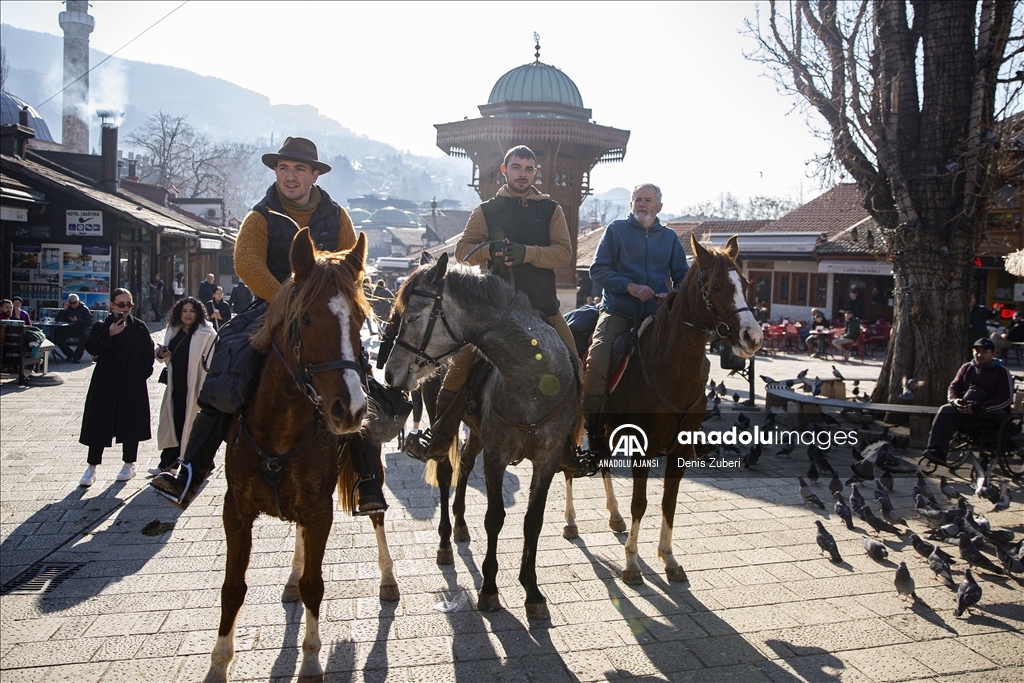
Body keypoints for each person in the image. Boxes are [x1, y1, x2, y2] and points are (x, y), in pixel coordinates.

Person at [151, 136, 387, 514]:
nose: (289, 176)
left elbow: (349, 266)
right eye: (283, 168)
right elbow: (247, 264)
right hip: (269, 305)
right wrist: (287, 300)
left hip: (323, 312)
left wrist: (323, 304)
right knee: (229, 362)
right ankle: (190, 469)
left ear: (314, 175)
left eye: (298, 169)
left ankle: (367, 480)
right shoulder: (259, 216)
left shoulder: (338, 216)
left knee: (357, 375)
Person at [403, 145, 578, 464]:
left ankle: (570, 446)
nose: (522, 173)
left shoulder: (551, 210)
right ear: (504, 170)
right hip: (496, 314)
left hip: (543, 310)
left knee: (576, 367)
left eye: (528, 168)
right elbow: (463, 252)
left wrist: (527, 253)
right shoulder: (486, 210)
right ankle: (439, 437)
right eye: (516, 167)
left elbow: (564, 253)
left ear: (535, 173)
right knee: (458, 371)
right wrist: (491, 250)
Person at [582, 183, 692, 460]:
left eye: (648, 200)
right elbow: (598, 270)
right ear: (631, 204)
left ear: (659, 207)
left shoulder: (669, 238)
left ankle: (686, 425)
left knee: (695, 361)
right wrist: (629, 286)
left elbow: (683, 276)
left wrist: (674, 294)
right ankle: (594, 432)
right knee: (596, 364)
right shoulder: (615, 230)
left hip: (657, 314)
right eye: (638, 199)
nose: (643, 204)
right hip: (618, 312)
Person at [78, 288, 155, 486]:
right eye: (121, 304)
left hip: (131, 380)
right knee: (99, 421)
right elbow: (92, 348)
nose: (126, 308)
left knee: (130, 421)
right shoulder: (101, 325)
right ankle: (92, 466)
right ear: (112, 305)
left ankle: (129, 463)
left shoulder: (139, 327)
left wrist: (141, 373)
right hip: (106, 379)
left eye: (129, 304)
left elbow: (148, 352)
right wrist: (109, 333)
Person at [921, 338, 1013, 466]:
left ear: (993, 353)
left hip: (991, 411)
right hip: (967, 407)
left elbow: (1006, 398)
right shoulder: (967, 367)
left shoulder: (1001, 371)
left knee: (986, 403)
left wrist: (982, 406)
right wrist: (955, 401)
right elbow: (953, 388)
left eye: (984, 352)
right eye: (977, 351)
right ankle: (937, 450)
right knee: (946, 409)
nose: (979, 355)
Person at [151, 297, 217, 475]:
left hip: (196, 385)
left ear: (198, 313)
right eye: (184, 311)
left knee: (194, 425)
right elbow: (162, 355)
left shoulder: (207, 333)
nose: (188, 315)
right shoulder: (173, 330)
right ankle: (168, 464)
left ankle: (202, 463)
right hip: (175, 384)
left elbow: (212, 362)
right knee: (174, 422)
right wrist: (160, 353)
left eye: (192, 311)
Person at [54, 293, 94, 363]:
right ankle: (70, 354)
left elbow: (89, 322)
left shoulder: (84, 309)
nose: (72, 304)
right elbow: (58, 320)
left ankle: (77, 357)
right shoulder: (67, 308)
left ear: (78, 301)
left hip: (79, 329)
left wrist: (77, 320)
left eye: (74, 303)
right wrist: (63, 310)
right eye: (71, 303)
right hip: (67, 329)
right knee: (58, 337)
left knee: (85, 336)